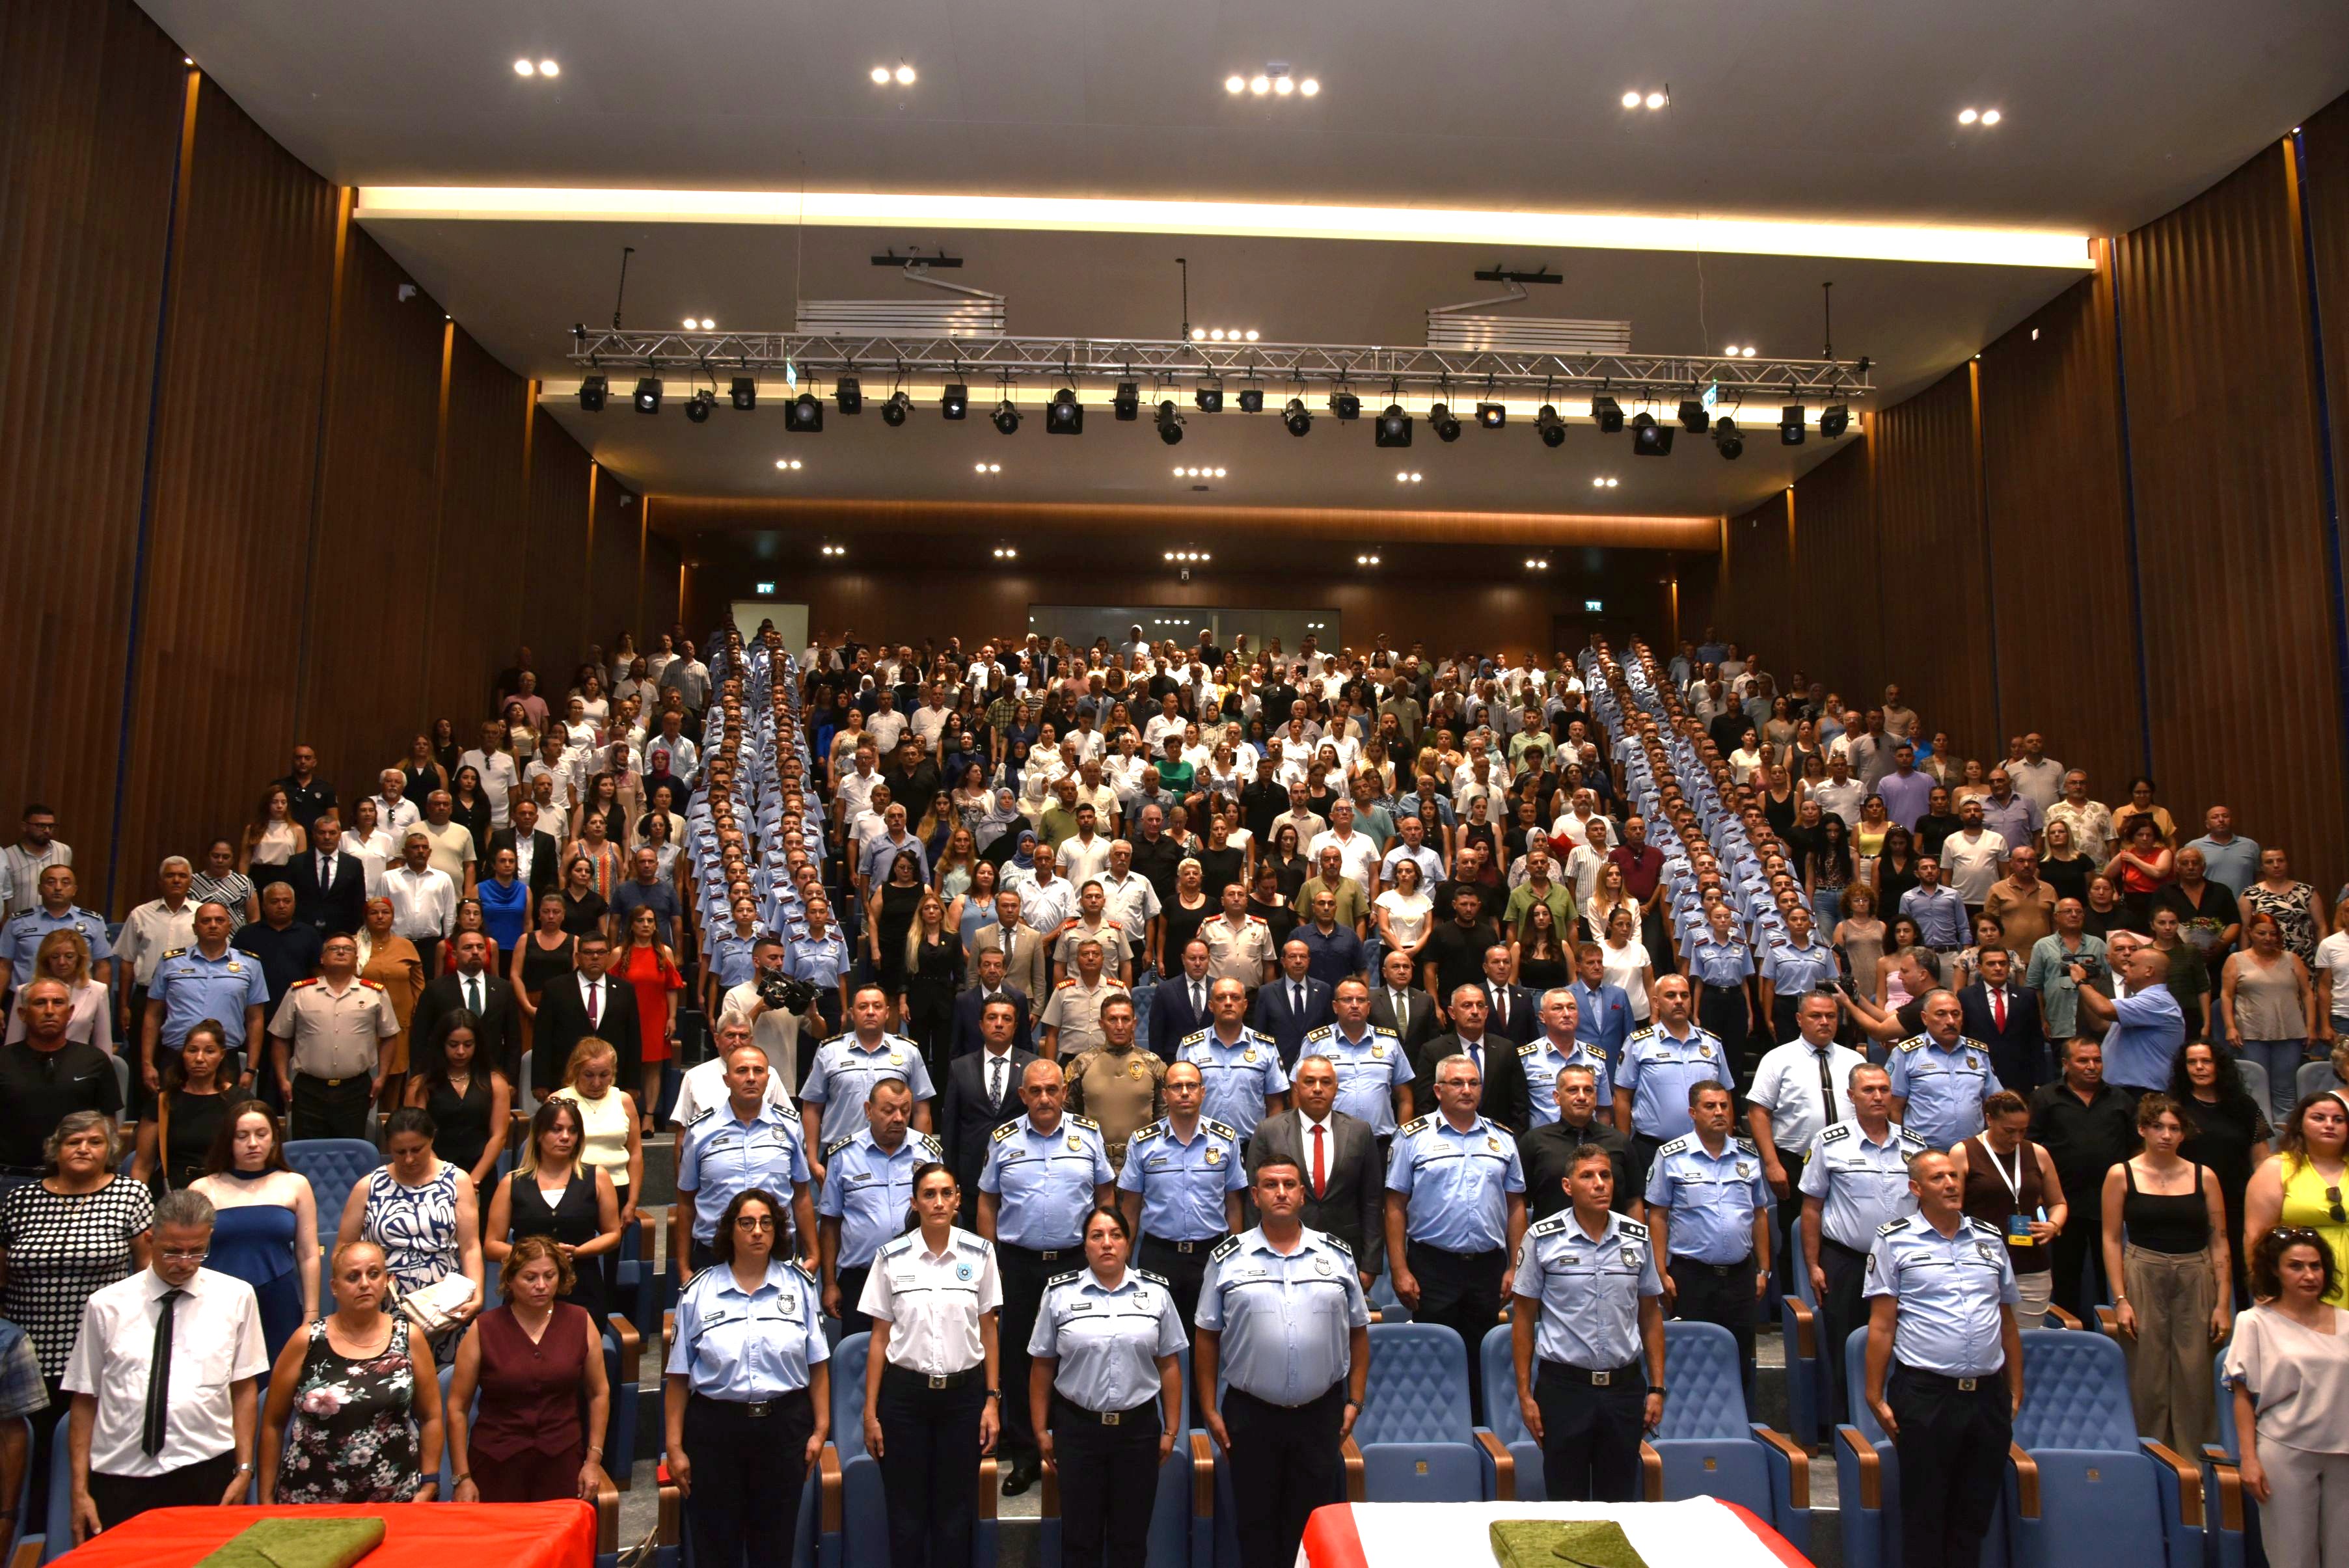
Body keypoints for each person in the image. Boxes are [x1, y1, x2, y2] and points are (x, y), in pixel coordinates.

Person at [1194, 1158, 1370, 1568]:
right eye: (1270, 1185)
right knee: (1255, 1528)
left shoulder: (1336, 1255)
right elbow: (1206, 1336)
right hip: (1251, 1415)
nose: (1281, 1192)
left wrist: (1355, 1400)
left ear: (1302, 1194)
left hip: (1319, 1415)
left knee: (1311, 1531)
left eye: (1289, 1184)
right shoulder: (1227, 1259)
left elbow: (1359, 1331)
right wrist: (1208, 1409)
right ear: (1255, 1197)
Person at [60, 1190, 264, 1539]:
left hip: (205, 1469)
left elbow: (244, 1389)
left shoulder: (237, 1297)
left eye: (197, 1251)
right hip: (120, 1475)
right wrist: (79, 1490)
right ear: (149, 1239)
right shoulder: (106, 1305)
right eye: (172, 1251)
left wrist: (244, 1469)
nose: (184, 1262)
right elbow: (84, 1398)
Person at [1863, 1150, 2024, 1568]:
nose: (1951, 1184)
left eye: (1954, 1176)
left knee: (1975, 1515)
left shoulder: (1989, 1238)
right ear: (1916, 1189)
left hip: (1987, 1396)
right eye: (1938, 1178)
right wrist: (1874, 1395)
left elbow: (2007, 1322)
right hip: (1926, 1394)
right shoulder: (1894, 1240)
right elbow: (1882, 1325)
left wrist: (2015, 1390)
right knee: (1925, 1515)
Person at [664, 1189, 829, 1568]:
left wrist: (821, 1430)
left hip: (783, 1429)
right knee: (715, 1546)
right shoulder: (699, 1292)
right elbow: (678, 1377)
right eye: (747, 1223)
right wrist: (674, 1447)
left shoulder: (800, 1287)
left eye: (766, 1223)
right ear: (731, 1230)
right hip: (715, 1431)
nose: (758, 1231)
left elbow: (818, 1365)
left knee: (775, 1546)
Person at [978, 1059, 1113, 1494]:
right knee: (1021, 1360)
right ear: (1022, 1096)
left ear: (1064, 1092)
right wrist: (990, 1263)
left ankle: (1070, 1447)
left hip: (1074, 1264)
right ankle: (1025, 1455)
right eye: (1035, 1091)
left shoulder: (1088, 1135)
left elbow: (1105, 1195)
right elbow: (987, 1201)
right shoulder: (1003, 1139)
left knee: (1075, 1354)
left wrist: (1101, 1253)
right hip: (1019, 1266)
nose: (1044, 1098)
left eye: (1051, 1089)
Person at [859, 1162, 1002, 1568]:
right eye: (929, 1194)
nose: (938, 1202)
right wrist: (870, 1413)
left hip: (963, 1399)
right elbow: (879, 1338)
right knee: (905, 1517)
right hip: (905, 1400)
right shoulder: (891, 1257)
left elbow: (989, 1331)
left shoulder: (981, 1254)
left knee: (955, 1517)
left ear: (958, 1201)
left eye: (946, 1194)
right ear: (914, 1203)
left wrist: (992, 1401)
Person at [1027, 1206, 1184, 1568]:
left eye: (1115, 1235)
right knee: (1080, 1540)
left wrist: (1171, 1429)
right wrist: (1040, 1430)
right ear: (1084, 1246)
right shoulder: (1059, 1293)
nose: (1107, 1243)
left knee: (1131, 1540)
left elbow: (1169, 1364)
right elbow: (1042, 1365)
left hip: (1137, 1431)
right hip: (1078, 1431)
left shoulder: (1156, 1293)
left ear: (1128, 1242)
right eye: (1097, 1236)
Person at [1510, 1143, 1664, 1501]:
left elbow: (1650, 1315)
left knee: (1620, 1503)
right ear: (1568, 1186)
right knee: (1566, 1505)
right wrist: (1525, 1395)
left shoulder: (1637, 1237)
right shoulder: (1542, 1239)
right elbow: (1523, 1319)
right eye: (1588, 1176)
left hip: (1624, 1388)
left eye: (1606, 1175)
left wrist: (1657, 1389)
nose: (1599, 1184)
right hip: (1564, 1390)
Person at [1385, 1053, 1527, 1424]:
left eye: (1473, 1083)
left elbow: (1516, 1205)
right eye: (1457, 1083)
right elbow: (1395, 1206)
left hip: (1488, 1267)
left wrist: (1516, 1266)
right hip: (1433, 1265)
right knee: (1433, 1355)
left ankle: (1480, 1432)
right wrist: (1399, 1269)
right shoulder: (1412, 1138)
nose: (1467, 1090)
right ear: (1438, 1090)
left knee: (1483, 1357)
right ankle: (1434, 1430)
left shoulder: (1502, 1139)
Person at [258, 1239, 441, 1503]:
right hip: (310, 1498)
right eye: (353, 1277)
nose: (365, 1283)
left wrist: (429, 1483)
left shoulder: (409, 1337)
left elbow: (431, 1417)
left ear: (387, 1281)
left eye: (374, 1274)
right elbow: (273, 1424)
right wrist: (265, 1498)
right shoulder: (306, 1340)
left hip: (396, 1497)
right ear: (334, 1287)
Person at [2099, 1093, 2229, 1453]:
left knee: (2195, 1370)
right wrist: (2121, 1299)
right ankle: (2148, 1455)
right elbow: (2111, 1239)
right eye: (2158, 1127)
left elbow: (2220, 1241)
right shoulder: (2121, 1174)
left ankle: (2196, 1462)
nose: (2166, 1135)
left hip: (2195, 1271)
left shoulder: (2204, 1177)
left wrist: (2223, 1303)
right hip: (2143, 1268)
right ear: (2143, 1129)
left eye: (2174, 1128)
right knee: (2146, 1372)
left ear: (2183, 1134)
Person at [1799, 1064, 1929, 1407]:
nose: (1878, 1096)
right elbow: (1811, 1208)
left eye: (1884, 1089)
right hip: (1848, 1262)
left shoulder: (1914, 1145)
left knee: (1907, 1343)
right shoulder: (1829, 1142)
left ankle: (1900, 1418)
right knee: (1845, 1346)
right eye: (1869, 1090)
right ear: (1851, 1096)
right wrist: (1813, 1265)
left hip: (1904, 1263)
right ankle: (1846, 1425)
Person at [2222, 1228, 2349, 1568]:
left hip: (2344, 1454)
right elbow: (2242, 1396)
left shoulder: (2347, 1322)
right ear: (2275, 1271)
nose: (2309, 1275)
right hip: (2285, 1451)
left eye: (2316, 1266)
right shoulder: (2254, 1322)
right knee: (2292, 1558)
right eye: (2296, 1266)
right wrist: (2249, 1460)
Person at [1645, 1082, 1772, 1400]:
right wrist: (1660, 1272)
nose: (1719, 1112)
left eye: (1724, 1106)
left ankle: (1738, 1420)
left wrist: (1764, 1269)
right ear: (1693, 1112)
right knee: (1690, 1360)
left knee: (1740, 1358)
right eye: (1710, 1106)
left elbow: (1759, 1214)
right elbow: (1658, 1217)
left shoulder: (1747, 1156)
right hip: (1691, 1276)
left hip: (1740, 1275)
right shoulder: (1671, 1156)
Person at [335, 1107, 484, 1362]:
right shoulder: (368, 1186)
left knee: (444, 1375)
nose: (409, 1159)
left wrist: (477, 1293)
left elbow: (470, 1247)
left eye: (417, 1150)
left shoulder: (458, 1180)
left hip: (444, 1305)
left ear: (432, 1140)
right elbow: (343, 1250)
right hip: (384, 1304)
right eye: (400, 1152)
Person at [1748, 991, 1867, 1290]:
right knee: (1796, 1234)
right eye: (1816, 1016)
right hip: (1795, 1162)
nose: (1824, 1022)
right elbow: (1758, 1112)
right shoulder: (1778, 1058)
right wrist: (1771, 1164)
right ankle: (1796, 1303)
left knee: (1847, 1234)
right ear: (1800, 1020)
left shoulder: (1854, 1060)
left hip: (1849, 1163)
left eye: (1831, 1016)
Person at [1119, 1059, 1249, 1329]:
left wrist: (1236, 1257)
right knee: (1154, 1333)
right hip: (1159, 1255)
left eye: (1192, 1086)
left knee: (1208, 1334)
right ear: (1165, 1095)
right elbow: (1130, 1209)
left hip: (1210, 1255)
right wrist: (1124, 1260)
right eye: (1176, 1087)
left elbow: (1234, 1205)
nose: (1185, 1092)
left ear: (1203, 1092)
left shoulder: (1225, 1140)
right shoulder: (1143, 1143)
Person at [188, 1102, 318, 1358]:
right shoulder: (201, 1189)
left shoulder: (296, 1184)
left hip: (278, 1300)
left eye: (261, 1134)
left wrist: (311, 1313)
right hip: (218, 1302)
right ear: (228, 1140)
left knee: (279, 1377)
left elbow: (308, 1254)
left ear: (274, 1139)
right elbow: (190, 1255)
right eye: (242, 1136)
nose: (253, 1143)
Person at [673, 1041, 815, 1273]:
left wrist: (814, 1254)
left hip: (776, 1251)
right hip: (715, 1252)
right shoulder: (700, 1130)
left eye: (758, 1071)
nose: (751, 1078)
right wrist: (683, 1266)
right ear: (727, 1080)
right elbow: (686, 1202)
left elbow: (801, 1195)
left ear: (768, 1079)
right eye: (742, 1071)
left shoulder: (789, 1126)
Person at [2028, 1038, 2141, 1323]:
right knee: (2067, 1276)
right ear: (2065, 1064)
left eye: (2097, 1060)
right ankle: (2070, 1332)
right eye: (2083, 1061)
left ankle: (2114, 1330)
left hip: (2112, 1205)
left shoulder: (2121, 1100)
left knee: (2113, 1276)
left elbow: (2137, 1149)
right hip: (2065, 1204)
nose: (2092, 1066)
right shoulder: (2046, 1098)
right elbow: (2031, 1147)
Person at [818, 1078, 938, 1338]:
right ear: (868, 1110)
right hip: (861, 1278)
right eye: (888, 1110)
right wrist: (829, 1283)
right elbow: (830, 1223)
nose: (898, 1118)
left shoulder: (927, 1153)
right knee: (860, 1353)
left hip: (919, 1276)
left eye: (905, 1110)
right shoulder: (844, 1155)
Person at [485, 1098, 621, 1325]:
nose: (566, 1137)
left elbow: (613, 1234)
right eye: (556, 1130)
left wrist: (578, 1252)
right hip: (526, 1295)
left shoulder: (598, 1177)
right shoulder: (512, 1183)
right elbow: (491, 1245)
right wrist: (535, 1257)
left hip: (583, 1290)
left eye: (573, 1131)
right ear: (539, 1134)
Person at [1946, 1090, 2066, 1330]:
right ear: (1990, 1119)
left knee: (2026, 1341)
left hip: (2030, 1265)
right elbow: (1950, 1208)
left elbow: (2059, 1203)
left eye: (2023, 1131)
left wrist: (2053, 1225)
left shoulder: (2038, 1153)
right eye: (2009, 1131)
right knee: (1980, 1336)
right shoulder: (1964, 1152)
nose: (2016, 1138)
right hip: (1979, 1263)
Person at [2169, 1040, 2272, 1304]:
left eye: (2206, 1061)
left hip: (2237, 1204)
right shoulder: (2174, 1107)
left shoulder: (2244, 1106)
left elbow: (2262, 1160)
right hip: (2188, 1205)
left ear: (2219, 1065)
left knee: (2241, 1273)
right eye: (2192, 1062)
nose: (2199, 1067)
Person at [1612, 974, 1733, 1192]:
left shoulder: (1712, 1044)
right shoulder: (1639, 1044)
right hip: (1652, 1148)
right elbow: (1622, 1098)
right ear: (1656, 1002)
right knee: (1652, 1209)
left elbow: (1726, 1095)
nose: (1679, 1001)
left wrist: (1729, 1143)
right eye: (1671, 995)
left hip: (1706, 1148)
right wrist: (1623, 1148)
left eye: (1684, 996)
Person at [2244, 1091, 2349, 1306]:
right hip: (2302, 1280)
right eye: (2319, 1118)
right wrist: (2262, 1287)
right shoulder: (2276, 1169)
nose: (2329, 1125)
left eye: (2339, 1120)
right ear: (2300, 1124)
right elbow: (2255, 1236)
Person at [2222, 912, 2320, 1122]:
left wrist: (2311, 1026)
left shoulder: (2292, 959)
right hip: (2251, 1033)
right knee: (2255, 1088)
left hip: (2290, 1033)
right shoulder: (2236, 960)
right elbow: (2227, 995)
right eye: (2262, 933)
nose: (2268, 938)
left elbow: (2307, 994)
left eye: (2273, 934)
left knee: (2285, 1089)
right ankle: (2259, 1135)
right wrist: (2230, 1027)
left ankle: (2284, 1136)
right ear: (2250, 933)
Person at [403, 1010, 509, 1200]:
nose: (461, 1052)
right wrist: (445, 1178)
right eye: (453, 1045)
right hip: (432, 1172)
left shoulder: (495, 1082)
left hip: (481, 1173)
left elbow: (499, 1136)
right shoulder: (421, 1085)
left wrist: (473, 1180)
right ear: (442, 1044)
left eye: (468, 1045)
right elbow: (417, 1137)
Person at [1887, 988, 2002, 1148]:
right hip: (1923, 1151)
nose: (1950, 1021)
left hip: (1972, 1151)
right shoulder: (1906, 1054)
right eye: (1941, 1014)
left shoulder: (1978, 1053)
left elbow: (1993, 1103)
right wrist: (1902, 1148)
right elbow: (1894, 1108)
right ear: (1925, 1018)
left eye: (1956, 1014)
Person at [130, 1020, 233, 1195]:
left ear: (221, 1055)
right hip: (173, 1193)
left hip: (224, 1192)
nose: (199, 1058)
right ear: (183, 1053)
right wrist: (137, 1204)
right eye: (192, 1050)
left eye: (209, 1051)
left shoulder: (238, 1101)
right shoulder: (163, 1101)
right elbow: (142, 1166)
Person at [612, 904, 683, 1121]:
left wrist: (672, 1017)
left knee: (653, 1067)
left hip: (656, 1016)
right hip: (625, 1018)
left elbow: (672, 987)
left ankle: (649, 1116)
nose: (646, 925)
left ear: (656, 925)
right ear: (631, 925)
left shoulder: (664, 952)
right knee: (624, 1064)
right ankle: (625, 1115)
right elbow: (609, 988)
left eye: (650, 921)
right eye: (640, 920)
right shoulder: (619, 953)